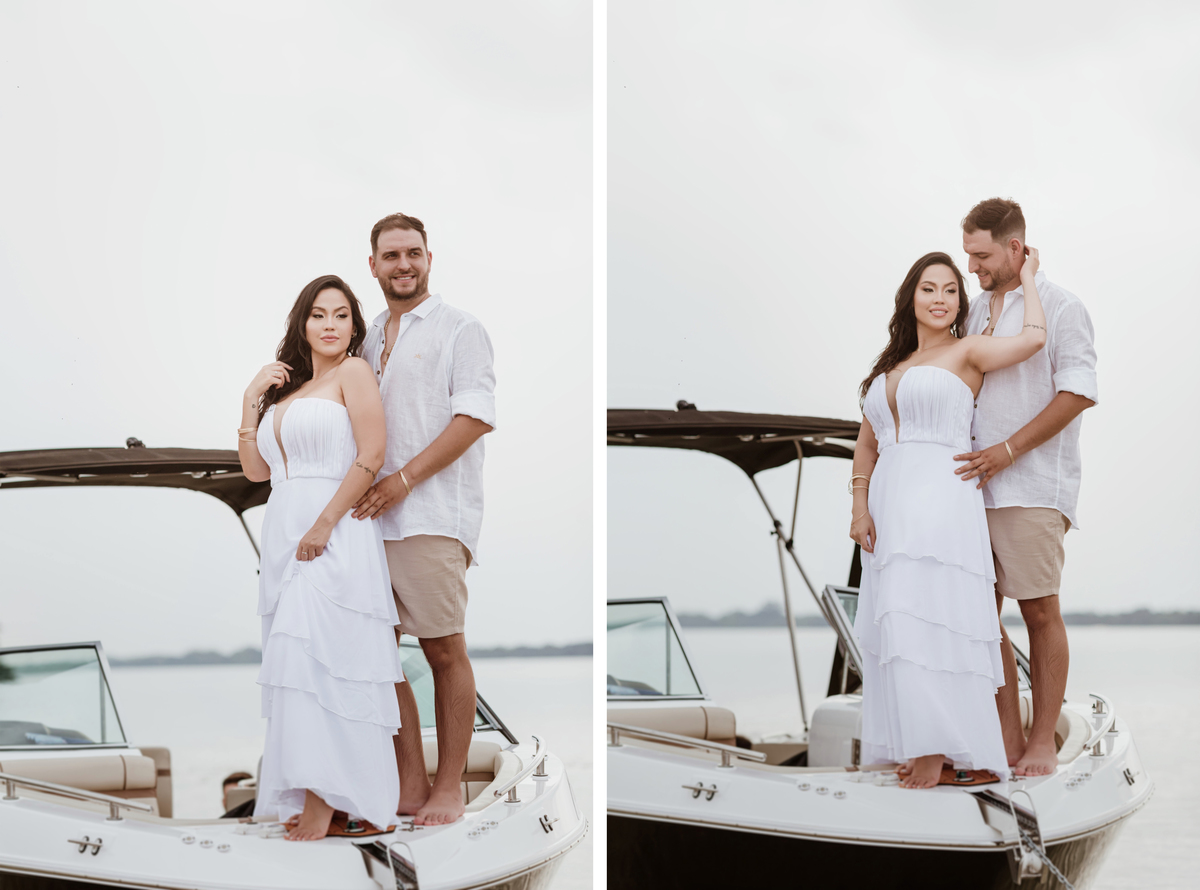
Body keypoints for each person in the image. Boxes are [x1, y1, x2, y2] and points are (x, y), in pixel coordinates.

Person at [849, 248, 1046, 789]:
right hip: (890, 509)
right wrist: (858, 507)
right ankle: (917, 741)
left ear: (961, 302)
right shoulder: (889, 369)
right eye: (929, 289)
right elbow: (866, 445)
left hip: (942, 499)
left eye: (951, 290)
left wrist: (1028, 278)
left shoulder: (969, 351)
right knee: (900, 621)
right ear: (910, 297)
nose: (940, 299)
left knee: (934, 618)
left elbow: (1032, 340)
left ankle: (939, 750)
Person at [237, 274, 404, 840]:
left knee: (330, 666)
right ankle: (317, 796)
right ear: (301, 323)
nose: (329, 325)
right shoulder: (289, 392)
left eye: (340, 315)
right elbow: (258, 473)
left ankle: (330, 802)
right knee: (296, 671)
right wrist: (250, 400)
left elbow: (373, 453)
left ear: (355, 325)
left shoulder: (355, 373)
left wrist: (326, 523)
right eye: (318, 314)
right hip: (285, 532)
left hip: (332, 532)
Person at [353, 213, 496, 825]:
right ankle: (409, 784)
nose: (403, 264)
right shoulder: (362, 339)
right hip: (367, 523)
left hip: (433, 515)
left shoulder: (461, 329)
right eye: (391, 255)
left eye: (413, 253)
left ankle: (448, 787)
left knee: (442, 648)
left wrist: (404, 481)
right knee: (377, 655)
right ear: (374, 265)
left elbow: (474, 420)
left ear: (429, 259)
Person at [954, 198, 1097, 776]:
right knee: (981, 618)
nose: (972, 267)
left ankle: (1042, 744)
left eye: (981, 255)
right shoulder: (971, 310)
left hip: (1032, 486)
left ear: (1015, 248)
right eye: (968, 255)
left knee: (1039, 612)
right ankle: (1007, 744)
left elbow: (1078, 392)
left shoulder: (1062, 307)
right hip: (971, 488)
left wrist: (1007, 451)